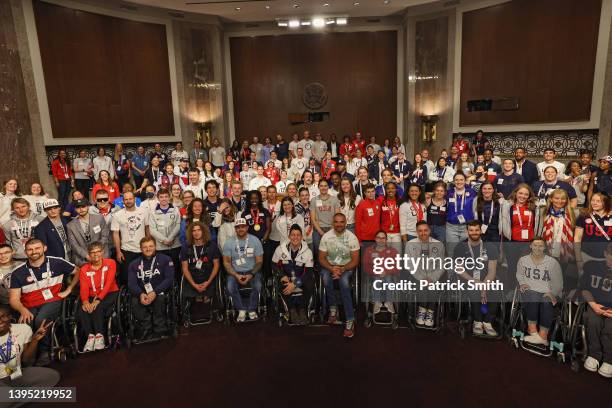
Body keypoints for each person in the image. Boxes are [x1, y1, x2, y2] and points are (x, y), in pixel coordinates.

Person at [9, 238, 78, 365]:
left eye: (37, 248)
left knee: (41, 320)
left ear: (44, 248)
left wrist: (69, 289)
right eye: (30, 249)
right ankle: (26, 357)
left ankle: (44, 352)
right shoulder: (18, 272)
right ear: (25, 252)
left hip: (53, 300)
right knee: (25, 324)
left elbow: (78, 271)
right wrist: (22, 309)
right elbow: (13, 299)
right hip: (29, 305)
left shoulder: (57, 263)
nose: (34, 251)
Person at [453, 221, 500, 336]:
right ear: (467, 231)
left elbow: (492, 271)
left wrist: (484, 285)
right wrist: (474, 281)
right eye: (471, 230)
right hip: (468, 279)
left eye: (477, 230)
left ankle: (488, 322)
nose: (474, 233)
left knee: (495, 289)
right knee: (473, 289)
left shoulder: (490, 247)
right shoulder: (460, 247)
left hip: (486, 278)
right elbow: (459, 269)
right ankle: (477, 321)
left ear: (481, 231)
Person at [318, 213, 360, 338]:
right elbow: (321, 258)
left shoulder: (352, 237)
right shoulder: (326, 236)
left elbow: (355, 261)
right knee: (325, 278)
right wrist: (332, 269)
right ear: (333, 223)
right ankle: (333, 309)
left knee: (344, 283)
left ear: (346, 223)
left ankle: (350, 319)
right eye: (336, 222)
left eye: (341, 222)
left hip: (347, 267)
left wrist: (342, 269)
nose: (339, 224)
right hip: (329, 266)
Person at [516, 237, 563, 345]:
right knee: (533, 297)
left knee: (546, 302)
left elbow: (558, 282)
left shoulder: (552, 263)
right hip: (529, 290)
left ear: (545, 247)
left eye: (540, 246)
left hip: (546, 292)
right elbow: (519, 274)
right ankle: (532, 331)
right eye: (535, 245)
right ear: (530, 246)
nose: (537, 248)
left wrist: (553, 293)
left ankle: (543, 336)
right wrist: (522, 283)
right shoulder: (523, 260)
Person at [0, 304, 60, 389]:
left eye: (3, 317)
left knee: (52, 376)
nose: (0, 321)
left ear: (10, 317)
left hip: (15, 375)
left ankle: (14, 396)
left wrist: (34, 341)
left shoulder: (23, 329)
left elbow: (27, 362)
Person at [128, 237, 175, 340]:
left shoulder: (166, 259)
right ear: (140, 249)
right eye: (145, 247)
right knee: (135, 302)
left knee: (160, 299)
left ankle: (160, 327)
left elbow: (169, 279)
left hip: (159, 290)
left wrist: (155, 292)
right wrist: (140, 294)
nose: (148, 249)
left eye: (150, 246)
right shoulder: (133, 264)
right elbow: (131, 283)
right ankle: (146, 327)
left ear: (155, 247)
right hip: (142, 293)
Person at [77, 242, 119, 352]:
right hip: (92, 295)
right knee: (83, 310)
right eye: (93, 252)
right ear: (89, 255)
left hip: (110, 293)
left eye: (98, 251)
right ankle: (90, 337)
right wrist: (86, 302)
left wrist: (98, 300)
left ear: (103, 252)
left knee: (97, 307)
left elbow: (109, 284)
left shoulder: (111, 263)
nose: (96, 254)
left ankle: (100, 336)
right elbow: (84, 288)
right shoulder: (84, 269)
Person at [580, 242, 612, 377]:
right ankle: (594, 355)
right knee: (593, 320)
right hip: (595, 305)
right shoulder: (592, 267)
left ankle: (609, 360)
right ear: (605, 253)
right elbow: (584, 289)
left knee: (609, 327)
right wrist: (593, 305)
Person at [222, 218, 264, 322]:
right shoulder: (229, 242)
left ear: (247, 227)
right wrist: (236, 275)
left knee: (258, 286)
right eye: (238, 227)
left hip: (252, 271)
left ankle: (251, 309)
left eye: (243, 227)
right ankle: (241, 309)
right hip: (234, 272)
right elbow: (226, 262)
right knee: (230, 287)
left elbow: (259, 261)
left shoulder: (255, 240)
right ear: (235, 229)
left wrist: (251, 274)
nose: (240, 229)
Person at [271, 225, 314, 324]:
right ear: (289, 236)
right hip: (286, 277)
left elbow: (308, 272)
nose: (295, 237)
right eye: (293, 235)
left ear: (301, 237)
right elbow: (273, 265)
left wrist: (295, 284)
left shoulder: (308, 252)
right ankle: (292, 310)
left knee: (309, 282)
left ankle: (303, 310)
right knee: (282, 283)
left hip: (300, 278)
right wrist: (281, 275)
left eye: (298, 235)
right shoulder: (280, 249)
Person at [405, 222, 445, 326]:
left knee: (433, 286)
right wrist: (422, 278)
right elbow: (409, 264)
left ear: (429, 231)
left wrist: (432, 278)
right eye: (420, 231)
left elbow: (442, 265)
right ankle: (422, 311)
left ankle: (430, 313)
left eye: (425, 230)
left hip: (434, 276)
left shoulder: (439, 244)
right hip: (417, 276)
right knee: (421, 285)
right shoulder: (410, 244)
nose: (423, 233)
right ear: (417, 232)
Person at [180, 221, 220, 317]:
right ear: (191, 233)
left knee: (212, 292)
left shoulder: (212, 246)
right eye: (193, 231)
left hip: (208, 277)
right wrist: (194, 284)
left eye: (199, 230)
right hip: (192, 278)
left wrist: (208, 282)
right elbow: (185, 268)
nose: (196, 233)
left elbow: (216, 266)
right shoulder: (185, 247)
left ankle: (206, 300)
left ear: (204, 232)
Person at [111, 192, 149, 284]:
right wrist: (118, 251)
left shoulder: (144, 211)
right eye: (126, 199)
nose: (128, 201)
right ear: (123, 201)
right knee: (127, 277)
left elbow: (147, 228)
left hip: (143, 249)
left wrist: (149, 247)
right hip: (126, 250)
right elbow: (115, 234)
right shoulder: (117, 215)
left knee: (144, 276)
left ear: (134, 199)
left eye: (130, 199)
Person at [148, 189, 181, 277]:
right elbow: (152, 230)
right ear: (158, 198)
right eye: (161, 197)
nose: (164, 199)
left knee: (176, 268)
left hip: (175, 245)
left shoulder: (175, 209)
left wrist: (170, 238)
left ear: (169, 197)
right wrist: (164, 240)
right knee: (162, 269)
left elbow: (178, 225)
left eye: (166, 196)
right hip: (160, 247)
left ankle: (177, 287)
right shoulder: (152, 212)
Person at [536, 188, 576, 262]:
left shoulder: (571, 213)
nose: (559, 201)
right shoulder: (544, 212)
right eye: (556, 198)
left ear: (566, 200)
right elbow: (538, 232)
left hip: (564, 252)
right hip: (547, 250)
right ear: (551, 199)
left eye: (563, 199)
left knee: (562, 272)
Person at [574, 193, 611, 273]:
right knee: (585, 282)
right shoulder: (584, 216)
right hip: (586, 257)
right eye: (593, 200)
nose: (594, 203)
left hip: (607, 259)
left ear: (606, 202)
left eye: (598, 201)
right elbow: (577, 238)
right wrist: (578, 259)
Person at [67, 199, 110, 267]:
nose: (81, 209)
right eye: (78, 207)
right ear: (75, 209)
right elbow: (74, 245)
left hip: (101, 255)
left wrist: (96, 252)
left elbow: (105, 236)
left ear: (88, 207)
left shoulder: (99, 218)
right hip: (83, 259)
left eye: (83, 206)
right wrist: (86, 255)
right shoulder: (70, 225)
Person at [310, 179, 340, 258]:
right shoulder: (314, 200)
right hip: (318, 229)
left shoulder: (334, 199)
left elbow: (337, 217)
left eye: (325, 186)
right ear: (318, 187)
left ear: (328, 187)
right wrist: (321, 232)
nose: (323, 188)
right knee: (318, 252)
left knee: (331, 252)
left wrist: (331, 230)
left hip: (332, 228)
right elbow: (313, 219)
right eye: (321, 186)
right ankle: (319, 270)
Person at [446, 173, 476, 243]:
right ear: (453, 181)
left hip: (467, 227)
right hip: (451, 227)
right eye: (456, 180)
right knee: (452, 251)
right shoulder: (448, 192)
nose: (459, 182)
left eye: (461, 180)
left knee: (465, 252)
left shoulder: (472, 192)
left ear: (465, 181)